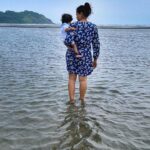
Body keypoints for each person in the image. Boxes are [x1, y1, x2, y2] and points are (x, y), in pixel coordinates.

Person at [64, 2, 100, 104]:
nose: (76, 16)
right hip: (86, 55)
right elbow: (96, 44)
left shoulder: (73, 25)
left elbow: (67, 41)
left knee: (71, 78)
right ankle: (82, 100)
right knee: (83, 80)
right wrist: (95, 59)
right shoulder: (93, 27)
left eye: (76, 14)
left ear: (80, 13)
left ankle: (71, 101)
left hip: (72, 54)